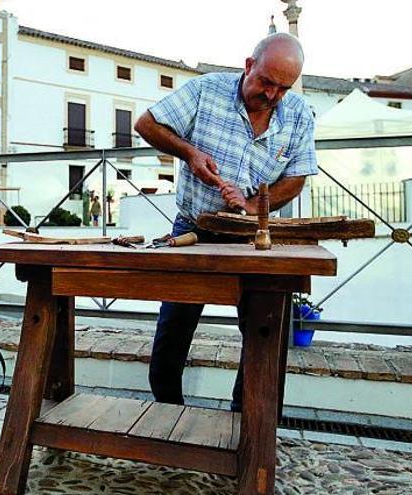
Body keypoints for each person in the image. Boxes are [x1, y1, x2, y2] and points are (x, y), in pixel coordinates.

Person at [134, 33, 317, 412]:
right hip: (193, 231)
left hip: (256, 238)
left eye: (281, 88)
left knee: (265, 329)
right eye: (265, 82)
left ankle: (246, 422)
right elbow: (147, 124)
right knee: (174, 328)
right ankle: (168, 413)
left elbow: (297, 177)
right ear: (249, 65)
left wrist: (252, 207)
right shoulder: (206, 90)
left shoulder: (298, 113)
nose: (271, 95)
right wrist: (190, 153)